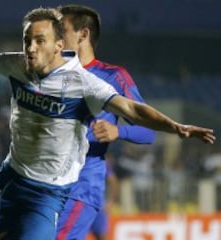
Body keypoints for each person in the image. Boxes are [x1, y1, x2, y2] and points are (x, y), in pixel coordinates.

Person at [0, 7, 215, 240]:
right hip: (11, 176)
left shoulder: (87, 83)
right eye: (27, 41)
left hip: (51, 192)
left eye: (40, 41)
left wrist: (176, 127)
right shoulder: (17, 65)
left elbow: (134, 110)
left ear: (60, 45)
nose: (31, 48)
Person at [55, 5, 155, 240]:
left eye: (62, 30)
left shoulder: (114, 77)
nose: (56, 36)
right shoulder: (53, 74)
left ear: (84, 34)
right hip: (46, 181)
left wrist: (117, 131)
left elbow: (149, 131)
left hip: (82, 184)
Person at [88, 156, 119, 240]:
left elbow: (112, 180)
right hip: (80, 204)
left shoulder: (99, 161)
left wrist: (111, 201)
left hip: (98, 206)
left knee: (102, 236)